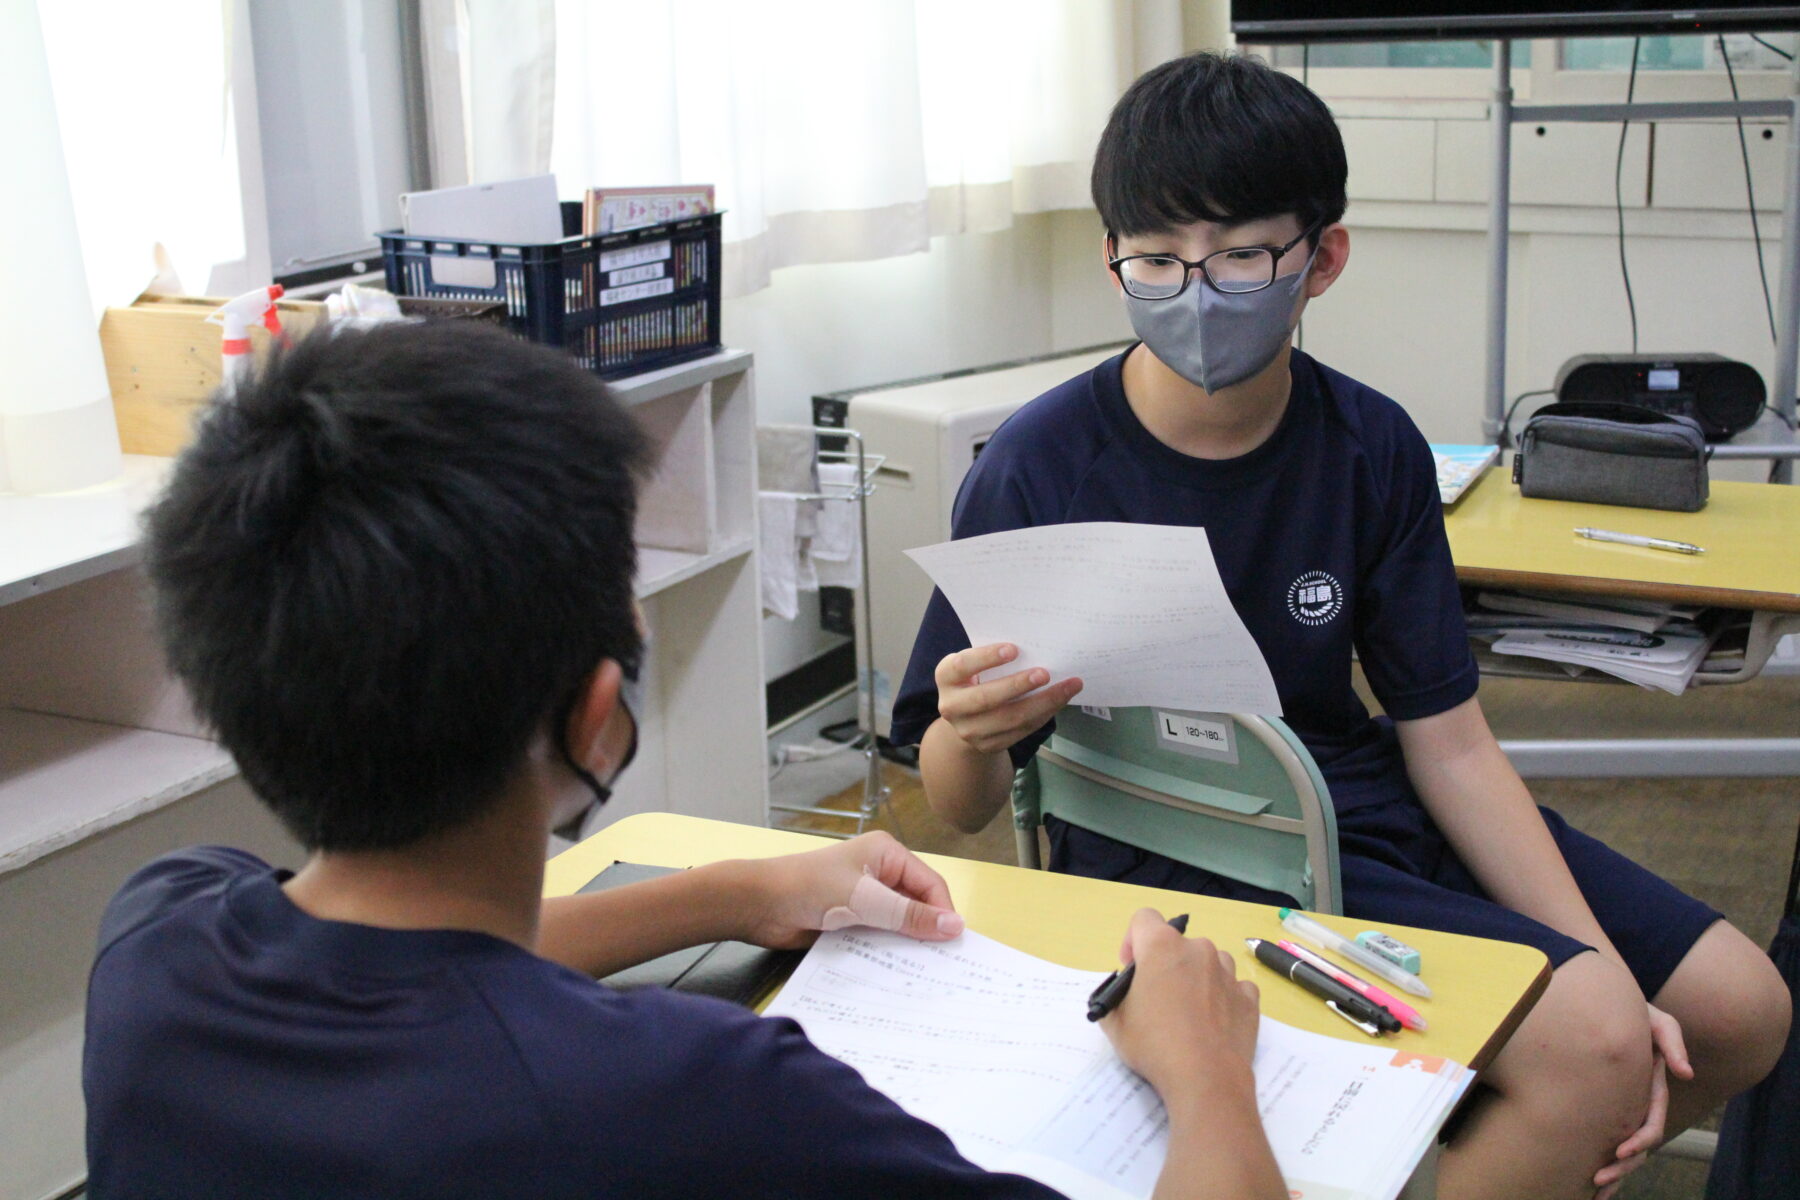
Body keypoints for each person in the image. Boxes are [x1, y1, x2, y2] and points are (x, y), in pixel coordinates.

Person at [82, 321, 1284, 1200]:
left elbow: (415, 960)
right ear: (597, 715)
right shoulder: (698, 1101)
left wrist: (737, 893)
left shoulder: (156, 943)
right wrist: (1205, 1065)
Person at [890, 51, 1789, 1200]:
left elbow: (1451, 743)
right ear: (1111, 255)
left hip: (1355, 809)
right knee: (1597, 1044)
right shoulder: (1036, 465)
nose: (1197, 293)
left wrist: (1603, 964)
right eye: (1156, 259)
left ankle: (1480, 1145)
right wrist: (971, 731)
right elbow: (962, 809)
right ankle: (1511, 1126)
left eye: (1242, 257)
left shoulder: (1372, 446)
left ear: (1323, 260)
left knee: (1739, 1009)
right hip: (1179, 856)